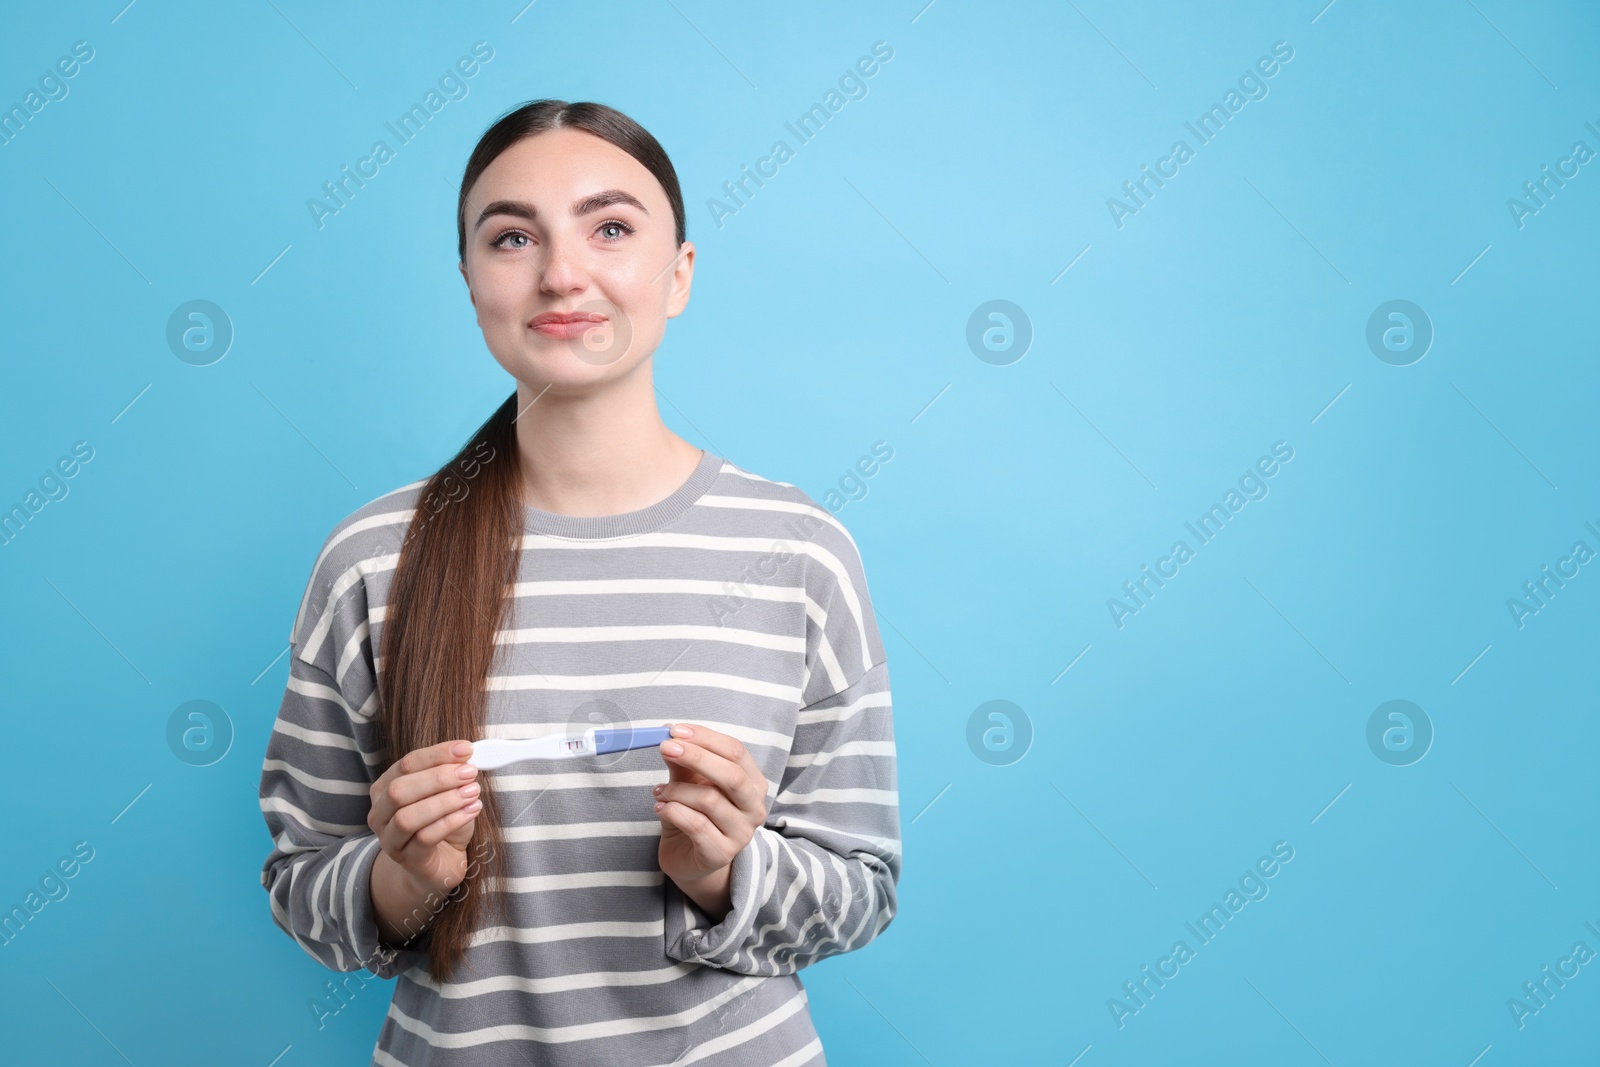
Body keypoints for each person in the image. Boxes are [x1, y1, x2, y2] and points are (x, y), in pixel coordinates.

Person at [257, 99, 900, 1066]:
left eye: (610, 228)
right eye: (512, 237)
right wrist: (402, 880)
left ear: (678, 273)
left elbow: (863, 889)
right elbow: (303, 885)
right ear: (470, 279)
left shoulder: (801, 549)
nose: (562, 273)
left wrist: (726, 873)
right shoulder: (370, 559)